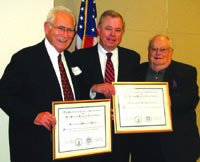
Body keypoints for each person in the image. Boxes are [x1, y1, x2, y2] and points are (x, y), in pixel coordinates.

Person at [0, 6, 81, 162]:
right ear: (47, 27)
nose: (65, 35)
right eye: (60, 28)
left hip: (68, 149)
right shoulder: (25, 59)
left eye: (70, 30)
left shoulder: (72, 60)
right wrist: (33, 116)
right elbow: (3, 94)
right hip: (34, 149)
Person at [72, 10, 140, 162]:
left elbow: (135, 94)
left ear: (122, 32)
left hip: (121, 137)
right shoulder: (79, 57)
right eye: (108, 29)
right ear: (98, 29)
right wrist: (93, 88)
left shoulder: (133, 58)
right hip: (90, 134)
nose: (113, 34)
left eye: (117, 30)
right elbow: (74, 91)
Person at [132, 34, 200, 162]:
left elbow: (192, 99)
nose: (158, 53)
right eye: (154, 49)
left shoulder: (186, 71)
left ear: (171, 52)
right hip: (145, 147)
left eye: (163, 49)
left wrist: (167, 100)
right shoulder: (138, 71)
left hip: (178, 146)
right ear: (148, 51)